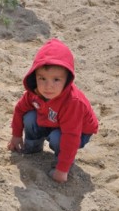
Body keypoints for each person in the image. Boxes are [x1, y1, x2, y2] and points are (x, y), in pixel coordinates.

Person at [7, 38, 99, 183]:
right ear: (35, 77)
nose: (48, 86)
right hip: (51, 120)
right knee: (29, 117)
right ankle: (33, 147)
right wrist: (16, 135)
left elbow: (71, 136)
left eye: (56, 80)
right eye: (42, 78)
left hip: (77, 132)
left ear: (67, 80)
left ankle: (61, 162)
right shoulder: (35, 92)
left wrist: (62, 170)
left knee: (58, 137)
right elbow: (19, 110)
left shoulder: (73, 103)